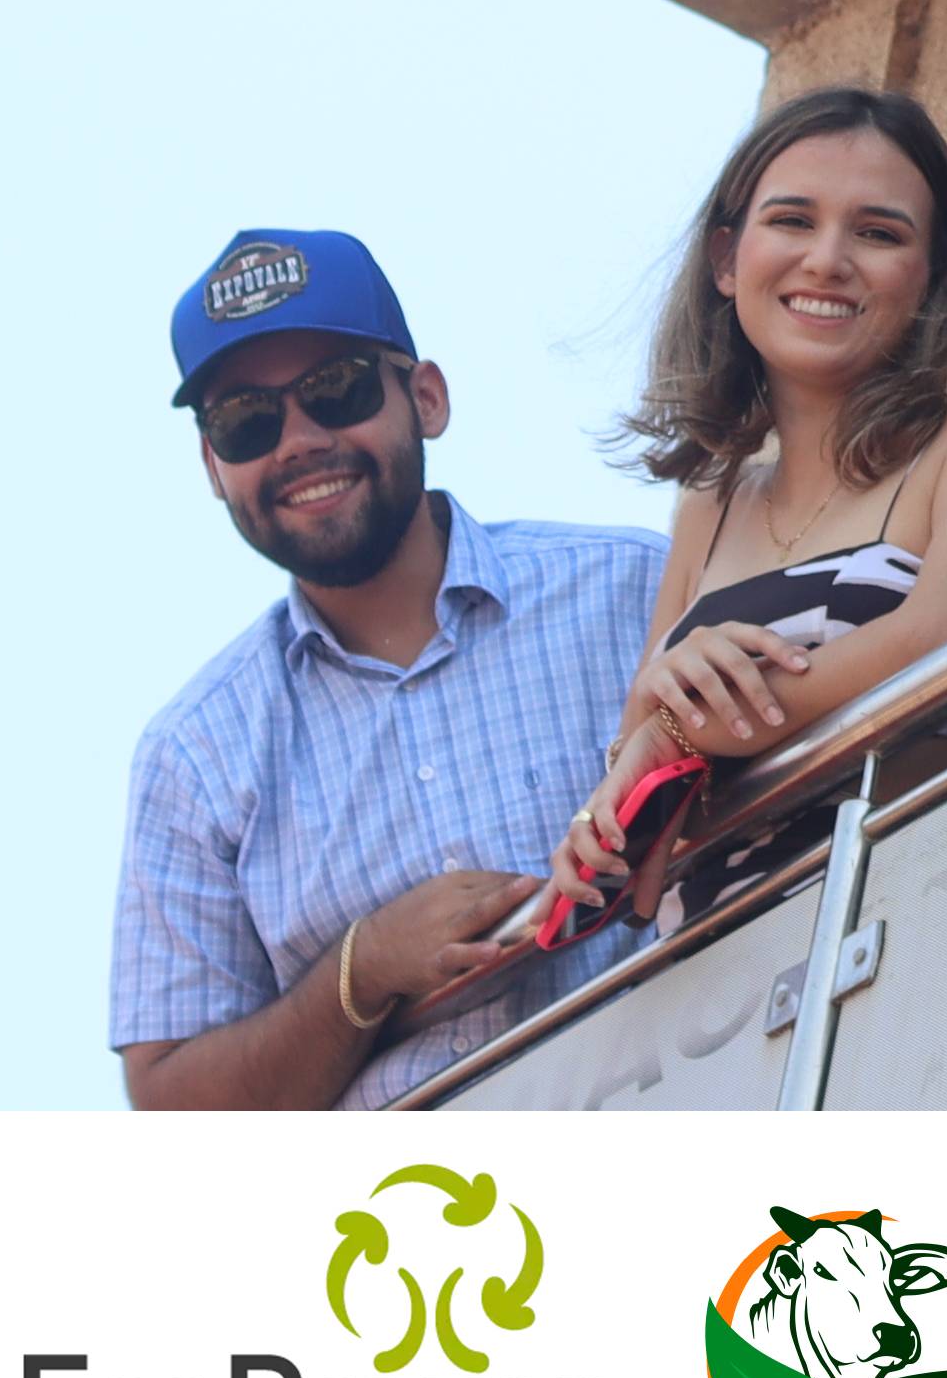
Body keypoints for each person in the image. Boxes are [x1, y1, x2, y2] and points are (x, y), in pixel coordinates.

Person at [110, 231, 670, 1110]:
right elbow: (172, 1109)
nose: (298, 441)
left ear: (427, 398)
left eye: (336, 389)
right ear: (214, 467)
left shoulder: (630, 589)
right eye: (246, 420)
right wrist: (359, 972)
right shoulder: (194, 758)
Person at [550, 89, 947, 930]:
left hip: (928, 926)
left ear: (934, 277)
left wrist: (684, 728)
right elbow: (645, 737)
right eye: (791, 220)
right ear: (726, 259)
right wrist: (632, 767)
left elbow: (943, 642)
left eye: (878, 233)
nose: (827, 260)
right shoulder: (710, 501)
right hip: (703, 976)